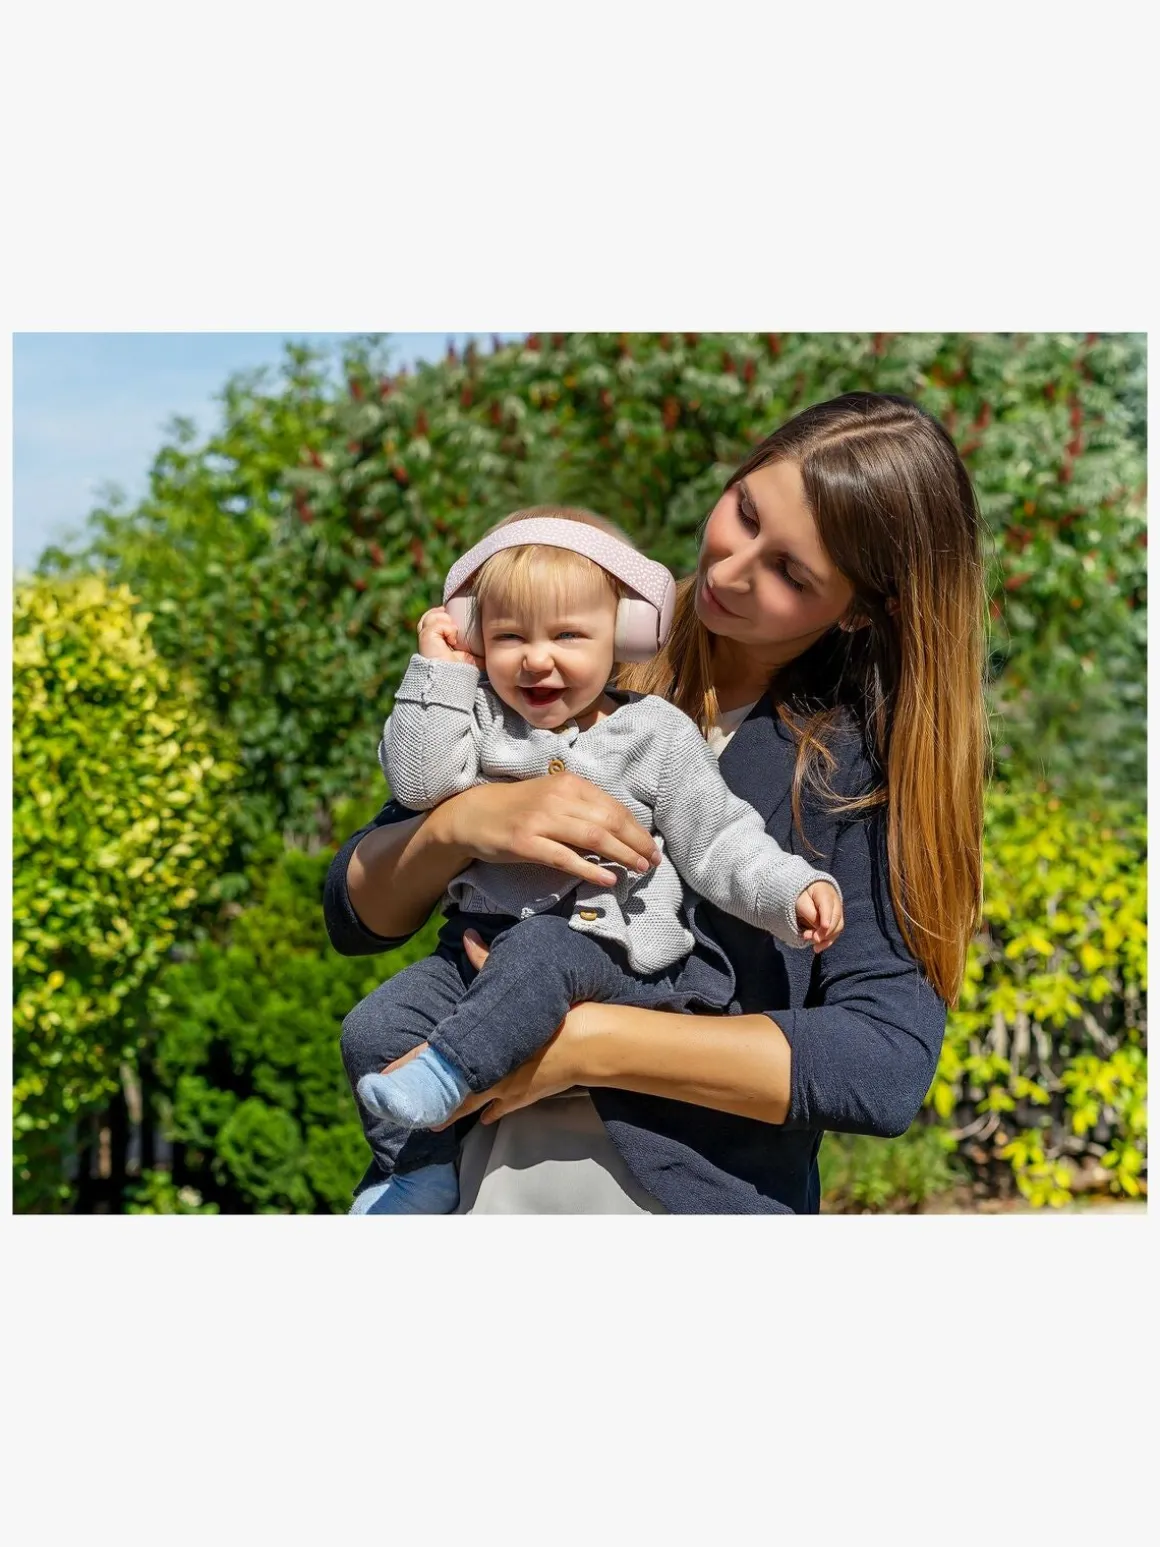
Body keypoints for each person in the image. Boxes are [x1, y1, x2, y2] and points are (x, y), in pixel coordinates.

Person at [326, 391, 987, 1215]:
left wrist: (586, 1043)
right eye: (745, 512)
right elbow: (356, 909)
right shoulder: (570, 643)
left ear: (857, 610)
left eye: (790, 573)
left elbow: (883, 1063)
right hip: (474, 1191)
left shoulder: (851, 768)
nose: (730, 569)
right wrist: (462, 827)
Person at [346, 507, 844, 1213]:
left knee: (544, 950)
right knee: (373, 1027)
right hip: (476, 952)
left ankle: (448, 1073)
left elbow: (721, 839)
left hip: (608, 951)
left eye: (567, 635)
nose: (535, 658)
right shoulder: (478, 719)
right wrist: (438, 671)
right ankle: (417, 1172)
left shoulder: (654, 734)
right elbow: (419, 784)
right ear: (476, 635)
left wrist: (791, 890)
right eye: (509, 636)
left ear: (623, 634)